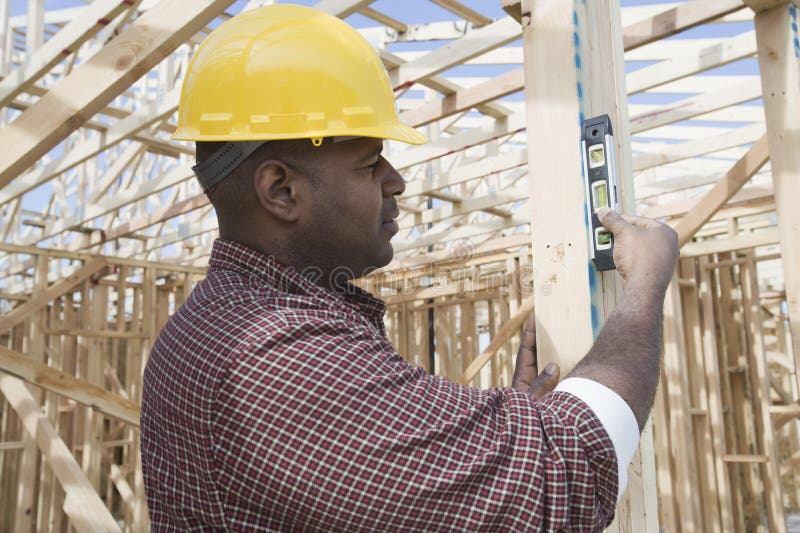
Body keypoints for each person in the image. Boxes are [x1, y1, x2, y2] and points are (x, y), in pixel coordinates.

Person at [141, 4, 679, 532]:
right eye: (369, 162)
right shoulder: (274, 355)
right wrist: (645, 288)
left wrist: (492, 448)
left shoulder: (225, 321)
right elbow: (565, 472)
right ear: (281, 190)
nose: (395, 181)